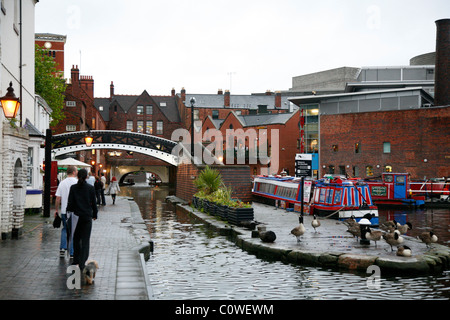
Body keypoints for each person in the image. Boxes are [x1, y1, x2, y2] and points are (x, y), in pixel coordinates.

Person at [67, 168, 98, 273]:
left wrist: (69, 211)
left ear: (77, 176)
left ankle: (76, 259)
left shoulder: (73, 188)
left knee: (76, 239)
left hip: (76, 216)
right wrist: (95, 214)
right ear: (86, 177)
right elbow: (94, 203)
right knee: (85, 240)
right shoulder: (90, 188)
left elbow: (70, 203)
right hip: (86, 217)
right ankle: (82, 262)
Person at [55, 165, 78, 258]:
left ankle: (62, 248)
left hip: (64, 210)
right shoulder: (77, 182)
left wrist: (56, 210)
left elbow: (58, 198)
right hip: (75, 211)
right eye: (76, 171)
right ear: (73, 172)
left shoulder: (62, 183)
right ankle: (72, 252)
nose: (77, 172)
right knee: (73, 231)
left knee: (64, 229)